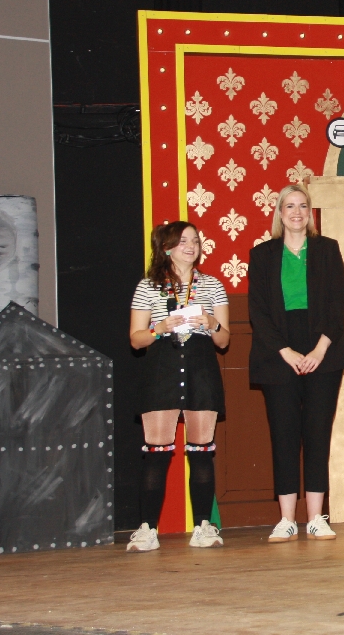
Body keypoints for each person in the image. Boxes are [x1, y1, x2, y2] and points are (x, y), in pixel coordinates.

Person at [249, 184, 344, 541]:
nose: (297, 212)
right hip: (277, 355)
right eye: (289, 206)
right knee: (283, 435)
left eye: (303, 206)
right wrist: (286, 352)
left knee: (317, 434)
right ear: (279, 213)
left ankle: (315, 518)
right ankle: (286, 519)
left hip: (323, 352)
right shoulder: (262, 254)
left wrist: (319, 351)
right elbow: (258, 312)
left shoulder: (327, 249)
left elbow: (338, 303)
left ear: (310, 212)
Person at [127, 221, 231, 551]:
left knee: (201, 453)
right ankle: (147, 529)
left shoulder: (212, 285)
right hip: (162, 368)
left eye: (195, 241)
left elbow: (224, 340)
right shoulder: (148, 286)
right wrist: (159, 327)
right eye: (183, 241)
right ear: (166, 247)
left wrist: (211, 323)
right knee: (156, 454)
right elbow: (136, 340)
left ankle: (204, 527)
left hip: (201, 368)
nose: (191, 246)